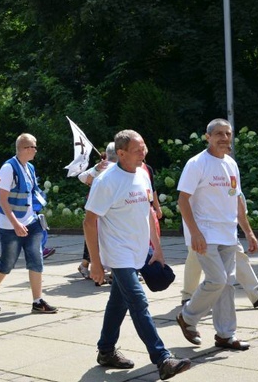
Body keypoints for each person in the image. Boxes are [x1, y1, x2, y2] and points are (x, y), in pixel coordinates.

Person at [84, 130, 191, 380]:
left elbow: (148, 215)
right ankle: (162, 358)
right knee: (138, 302)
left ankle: (106, 351)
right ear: (120, 154)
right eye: (137, 149)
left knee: (118, 303)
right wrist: (96, 264)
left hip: (141, 250)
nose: (143, 152)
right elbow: (89, 222)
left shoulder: (143, 174)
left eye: (144, 147)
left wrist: (158, 249)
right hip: (118, 253)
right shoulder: (106, 181)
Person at [176, 119, 258, 351]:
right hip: (205, 234)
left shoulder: (231, 164)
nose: (224, 138)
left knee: (227, 285)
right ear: (208, 137)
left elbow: (237, 200)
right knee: (217, 280)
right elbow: (183, 199)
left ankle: (225, 335)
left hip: (227, 233)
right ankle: (188, 317)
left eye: (228, 133)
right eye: (219, 134)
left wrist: (248, 232)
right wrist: (195, 232)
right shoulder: (197, 163)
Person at [0, 133, 57, 314]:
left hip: (30, 222)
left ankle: (37, 301)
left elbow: (31, 193)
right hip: (10, 225)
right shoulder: (8, 169)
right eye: (33, 147)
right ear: (24, 148)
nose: (35, 150)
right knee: (7, 263)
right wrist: (16, 223)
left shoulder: (29, 167)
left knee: (36, 259)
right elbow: (3, 200)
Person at [77, 142, 117, 280]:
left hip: (105, 210)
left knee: (99, 238)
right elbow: (83, 178)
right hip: (98, 209)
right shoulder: (106, 167)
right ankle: (93, 266)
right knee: (95, 238)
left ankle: (108, 270)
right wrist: (95, 169)